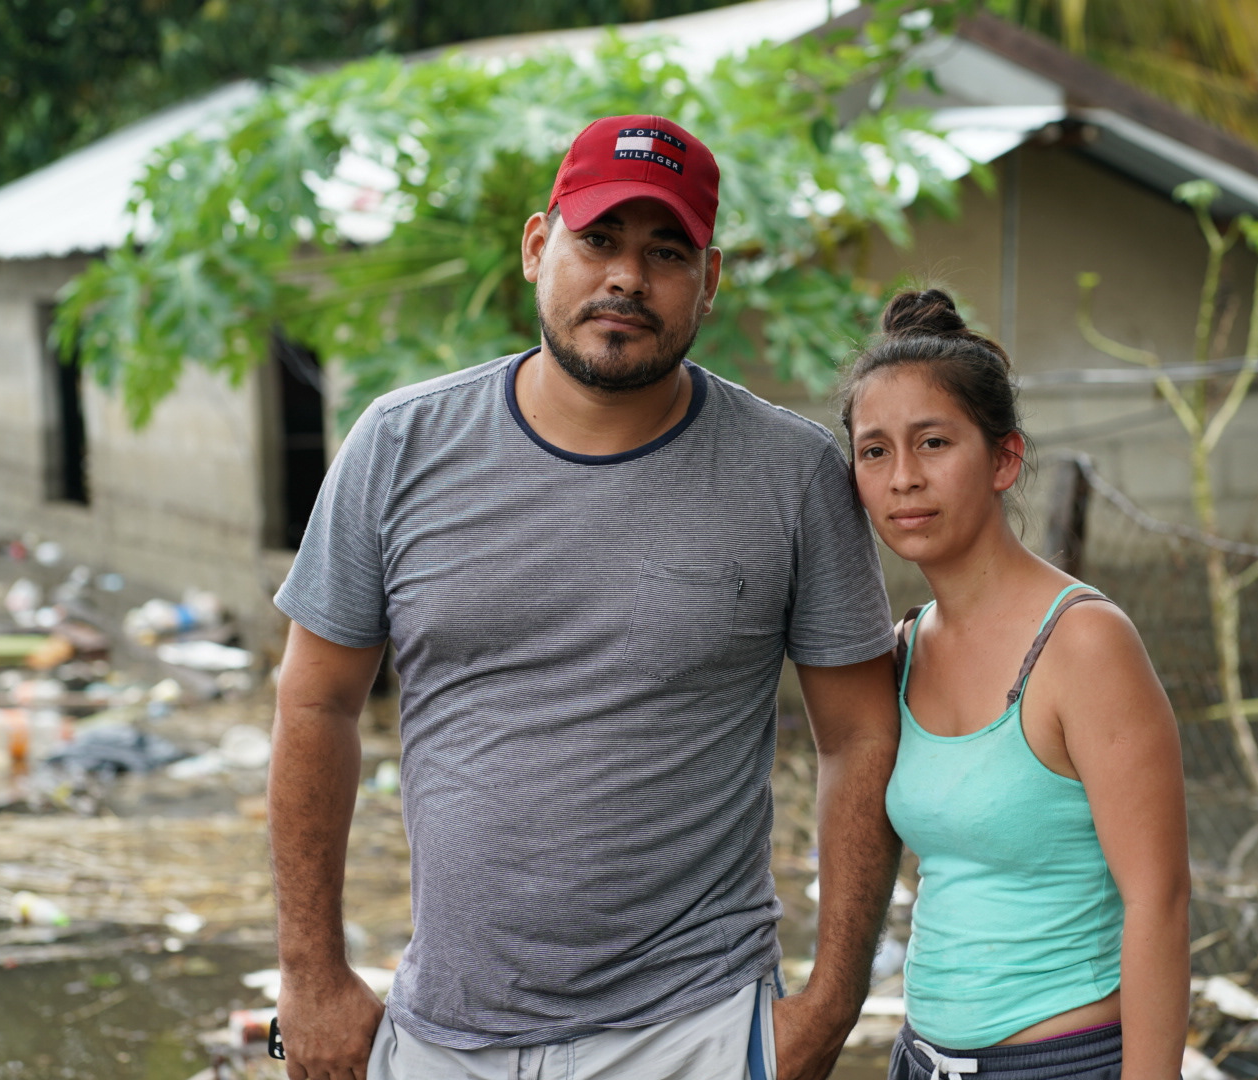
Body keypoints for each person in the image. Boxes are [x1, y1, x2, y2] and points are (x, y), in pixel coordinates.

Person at [267, 114, 903, 1080]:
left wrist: (828, 1006)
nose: (626, 278)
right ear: (538, 247)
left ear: (711, 279)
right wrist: (310, 974)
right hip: (446, 1032)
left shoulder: (792, 475)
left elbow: (859, 734)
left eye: (666, 252)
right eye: (598, 239)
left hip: (694, 1025)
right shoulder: (400, 446)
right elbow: (315, 702)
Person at [838, 289, 1190, 1080]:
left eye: (933, 443)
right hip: (924, 1060)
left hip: (1064, 1062)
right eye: (874, 451)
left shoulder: (1085, 643)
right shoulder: (902, 650)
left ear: (1004, 459)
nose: (903, 479)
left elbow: (1160, 902)